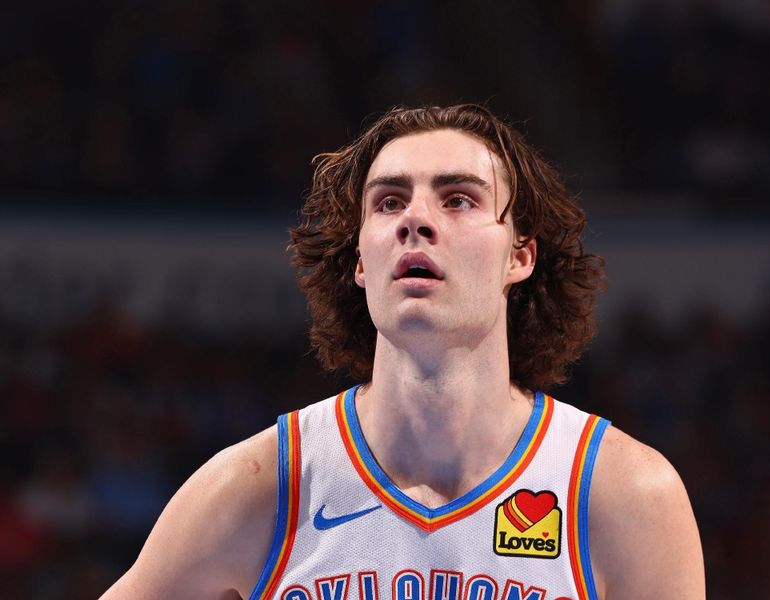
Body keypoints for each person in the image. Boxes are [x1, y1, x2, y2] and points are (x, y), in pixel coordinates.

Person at [101, 105, 705, 600]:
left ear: (520, 254)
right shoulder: (262, 487)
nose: (415, 218)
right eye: (389, 202)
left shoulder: (622, 495)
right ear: (362, 260)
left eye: (458, 199)